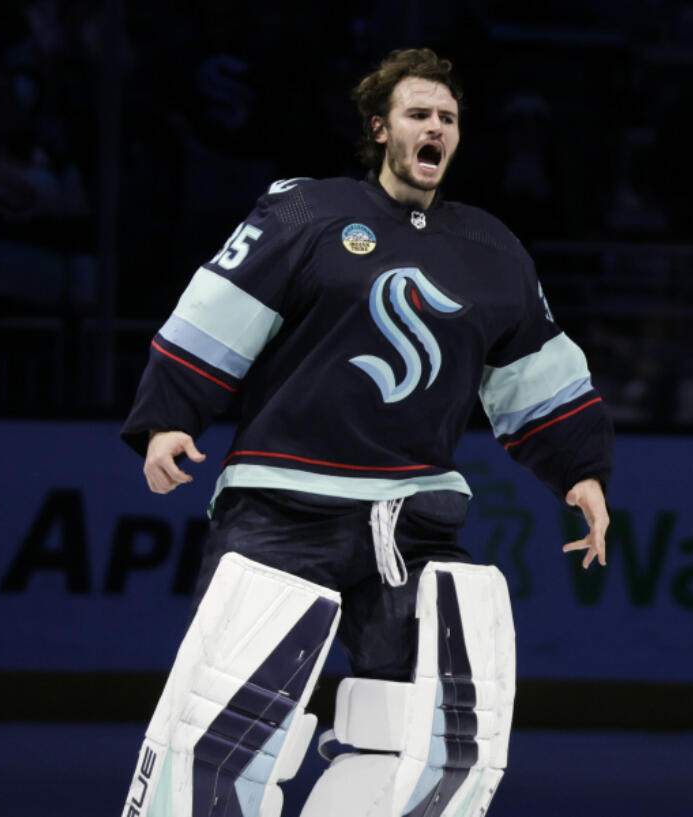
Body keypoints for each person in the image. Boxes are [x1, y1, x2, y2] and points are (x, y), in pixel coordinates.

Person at [118, 48, 614, 817]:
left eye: (448, 118)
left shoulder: (493, 251)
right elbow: (217, 309)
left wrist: (580, 469)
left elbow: (533, 368)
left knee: (441, 741)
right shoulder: (306, 213)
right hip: (283, 508)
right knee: (223, 733)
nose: (437, 128)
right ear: (381, 128)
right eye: (420, 114)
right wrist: (167, 419)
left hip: (411, 524)